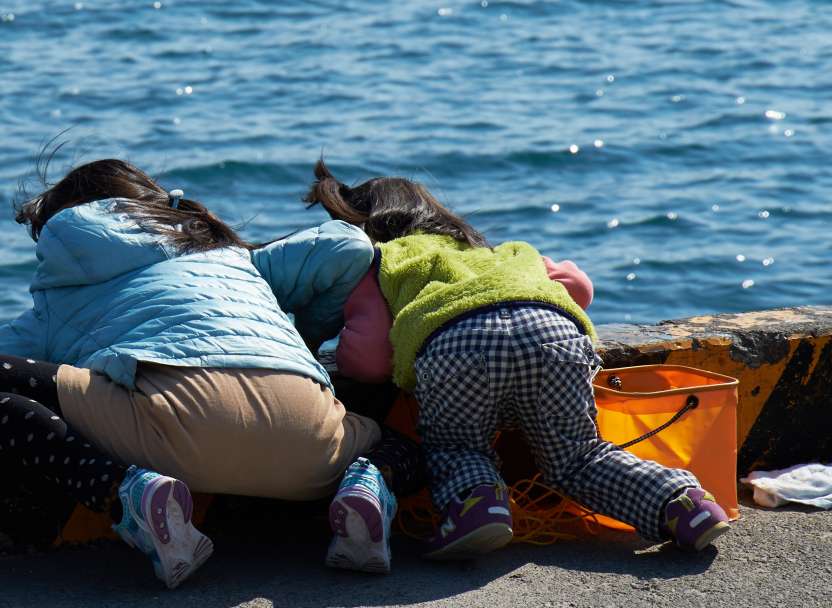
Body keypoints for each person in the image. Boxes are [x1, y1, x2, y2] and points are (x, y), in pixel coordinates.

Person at [0, 158, 423, 589]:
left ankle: (127, 495)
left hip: (173, 431)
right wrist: (309, 343)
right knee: (400, 444)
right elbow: (347, 245)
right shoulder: (233, 257)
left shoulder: (55, 301)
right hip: (310, 445)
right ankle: (366, 487)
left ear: (59, 229)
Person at [253, 161, 732, 560]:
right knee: (580, 458)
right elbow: (580, 289)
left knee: (457, 449)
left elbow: (374, 361)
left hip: (457, 349)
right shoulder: (503, 251)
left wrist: (338, 351)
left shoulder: (381, 264)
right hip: (554, 336)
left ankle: (478, 507)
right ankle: (681, 502)